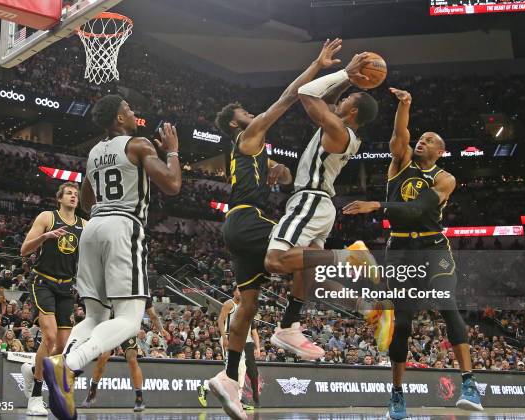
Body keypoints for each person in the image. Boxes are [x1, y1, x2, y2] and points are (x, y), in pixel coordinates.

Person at [206, 39, 344, 420]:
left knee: (247, 306)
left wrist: (277, 180)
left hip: (237, 224)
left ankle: (230, 378)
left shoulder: (252, 151)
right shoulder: (247, 137)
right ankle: (288, 325)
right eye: (246, 112)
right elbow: (286, 98)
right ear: (236, 122)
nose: (254, 114)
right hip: (249, 219)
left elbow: (266, 179)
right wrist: (317, 66)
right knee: (304, 254)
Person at [343, 87, 483, 418]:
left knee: (449, 307)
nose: (422, 141)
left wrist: (376, 204)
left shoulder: (445, 178)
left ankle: (469, 384)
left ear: (441, 150)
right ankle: (396, 394)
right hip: (402, 249)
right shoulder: (400, 161)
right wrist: (404, 105)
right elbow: (399, 133)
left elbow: (419, 209)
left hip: (433, 246)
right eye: (420, 138)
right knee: (402, 323)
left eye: (430, 140)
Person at [42, 95, 182, 420]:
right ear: (120, 117)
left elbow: (87, 199)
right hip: (122, 225)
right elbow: (173, 184)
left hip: (92, 229)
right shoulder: (138, 144)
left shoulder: (94, 152)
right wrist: (173, 150)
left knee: (95, 317)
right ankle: (70, 365)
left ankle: (58, 363)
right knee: (131, 319)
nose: (135, 113)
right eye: (131, 110)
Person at [262, 52, 385, 362]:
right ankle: (289, 325)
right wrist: (345, 80)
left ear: (352, 111)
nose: (339, 103)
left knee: (275, 261)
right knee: (304, 270)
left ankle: (349, 255)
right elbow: (327, 97)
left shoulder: (339, 131)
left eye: (346, 101)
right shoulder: (342, 129)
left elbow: (307, 94)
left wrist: (345, 73)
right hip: (320, 203)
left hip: (310, 200)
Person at [19, 181, 84, 416]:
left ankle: (32, 369)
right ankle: (36, 395)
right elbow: (24, 249)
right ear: (60, 198)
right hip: (43, 281)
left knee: (60, 346)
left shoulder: (84, 225)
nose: (73, 196)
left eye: (76, 194)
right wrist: (45, 236)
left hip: (67, 287)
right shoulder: (47, 216)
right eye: (69, 193)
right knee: (49, 336)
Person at [81, 297, 169, 412]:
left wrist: (161, 329)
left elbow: (152, 315)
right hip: (111, 327)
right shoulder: (118, 284)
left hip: (128, 328)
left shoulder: (143, 292)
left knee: (132, 358)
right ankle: (92, 392)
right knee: (103, 357)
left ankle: (139, 397)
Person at [198, 286, 260, 410]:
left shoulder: (245, 306)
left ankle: (237, 401)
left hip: (240, 340)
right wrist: (224, 338)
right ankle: (204, 387)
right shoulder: (228, 304)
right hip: (229, 338)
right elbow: (220, 321)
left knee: (241, 370)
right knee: (230, 370)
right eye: (238, 290)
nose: (241, 293)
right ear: (233, 292)